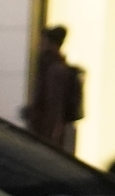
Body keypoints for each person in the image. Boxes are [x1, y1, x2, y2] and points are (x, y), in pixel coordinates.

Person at [24, 24, 84, 152]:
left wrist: (50, 139)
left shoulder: (54, 70)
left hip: (47, 137)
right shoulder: (52, 66)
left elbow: (53, 109)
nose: (39, 45)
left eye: (42, 41)